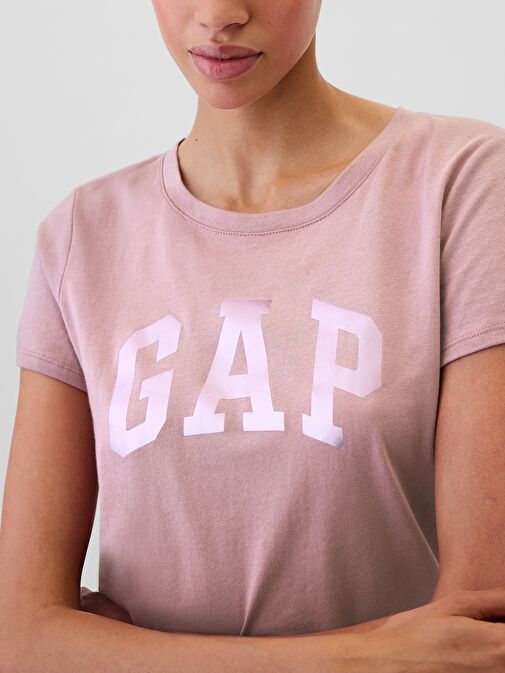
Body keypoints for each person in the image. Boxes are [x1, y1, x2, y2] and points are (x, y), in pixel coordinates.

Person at [2, 0, 505, 671]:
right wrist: (372, 654)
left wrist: (122, 655)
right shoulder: (81, 236)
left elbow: (479, 637)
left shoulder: (460, 184)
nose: (219, 15)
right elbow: (20, 638)